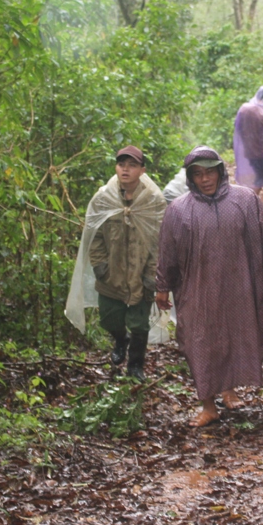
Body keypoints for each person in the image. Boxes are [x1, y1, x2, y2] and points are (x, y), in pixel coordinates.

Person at [155, 147, 263, 427]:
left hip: (239, 283)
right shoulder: (179, 210)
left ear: (220, 171)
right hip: (196, 288)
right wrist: (162, 285)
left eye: (210, 172)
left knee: (237, 334)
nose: (205, 179)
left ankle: (229, 387)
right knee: (200, 342)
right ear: (190, 178)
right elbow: (167, 251)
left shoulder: (245, 200)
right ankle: (208, 404)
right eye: (198, 174)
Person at [65, 146, 167, 381]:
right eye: (122, 164)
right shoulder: (104, 198)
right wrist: (100, 265)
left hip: (141, 274)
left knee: (140, 325)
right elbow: (94, 234)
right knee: (110, 318)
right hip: (112, 274)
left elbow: (161, 241)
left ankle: (135, 365)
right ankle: (121, 340)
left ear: (142, 170)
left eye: (132, 165)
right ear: (116, 167)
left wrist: (153, 274)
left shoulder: (154, 201)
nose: (126, 169)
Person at [233, 86, 263, 205]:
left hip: (250, 153)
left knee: (259, 179)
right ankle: (257, 208)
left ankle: (249, 206)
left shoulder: (244, 109)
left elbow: (238, 127)